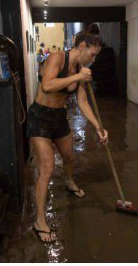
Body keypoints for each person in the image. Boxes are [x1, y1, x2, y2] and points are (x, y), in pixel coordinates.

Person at [27, 23, 109, 245]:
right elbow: (48, 85)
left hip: (58, 118)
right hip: (40, 118)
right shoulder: (57, 58)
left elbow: (82, 102)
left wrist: (98, 126)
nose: (92, 60)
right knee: (47, 168)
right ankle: (40, 221)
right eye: (92, 55)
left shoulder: (79, 72)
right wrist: (78, 77)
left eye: (95, 57)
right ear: (82, 47)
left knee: (70, 157)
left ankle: (70, 182)